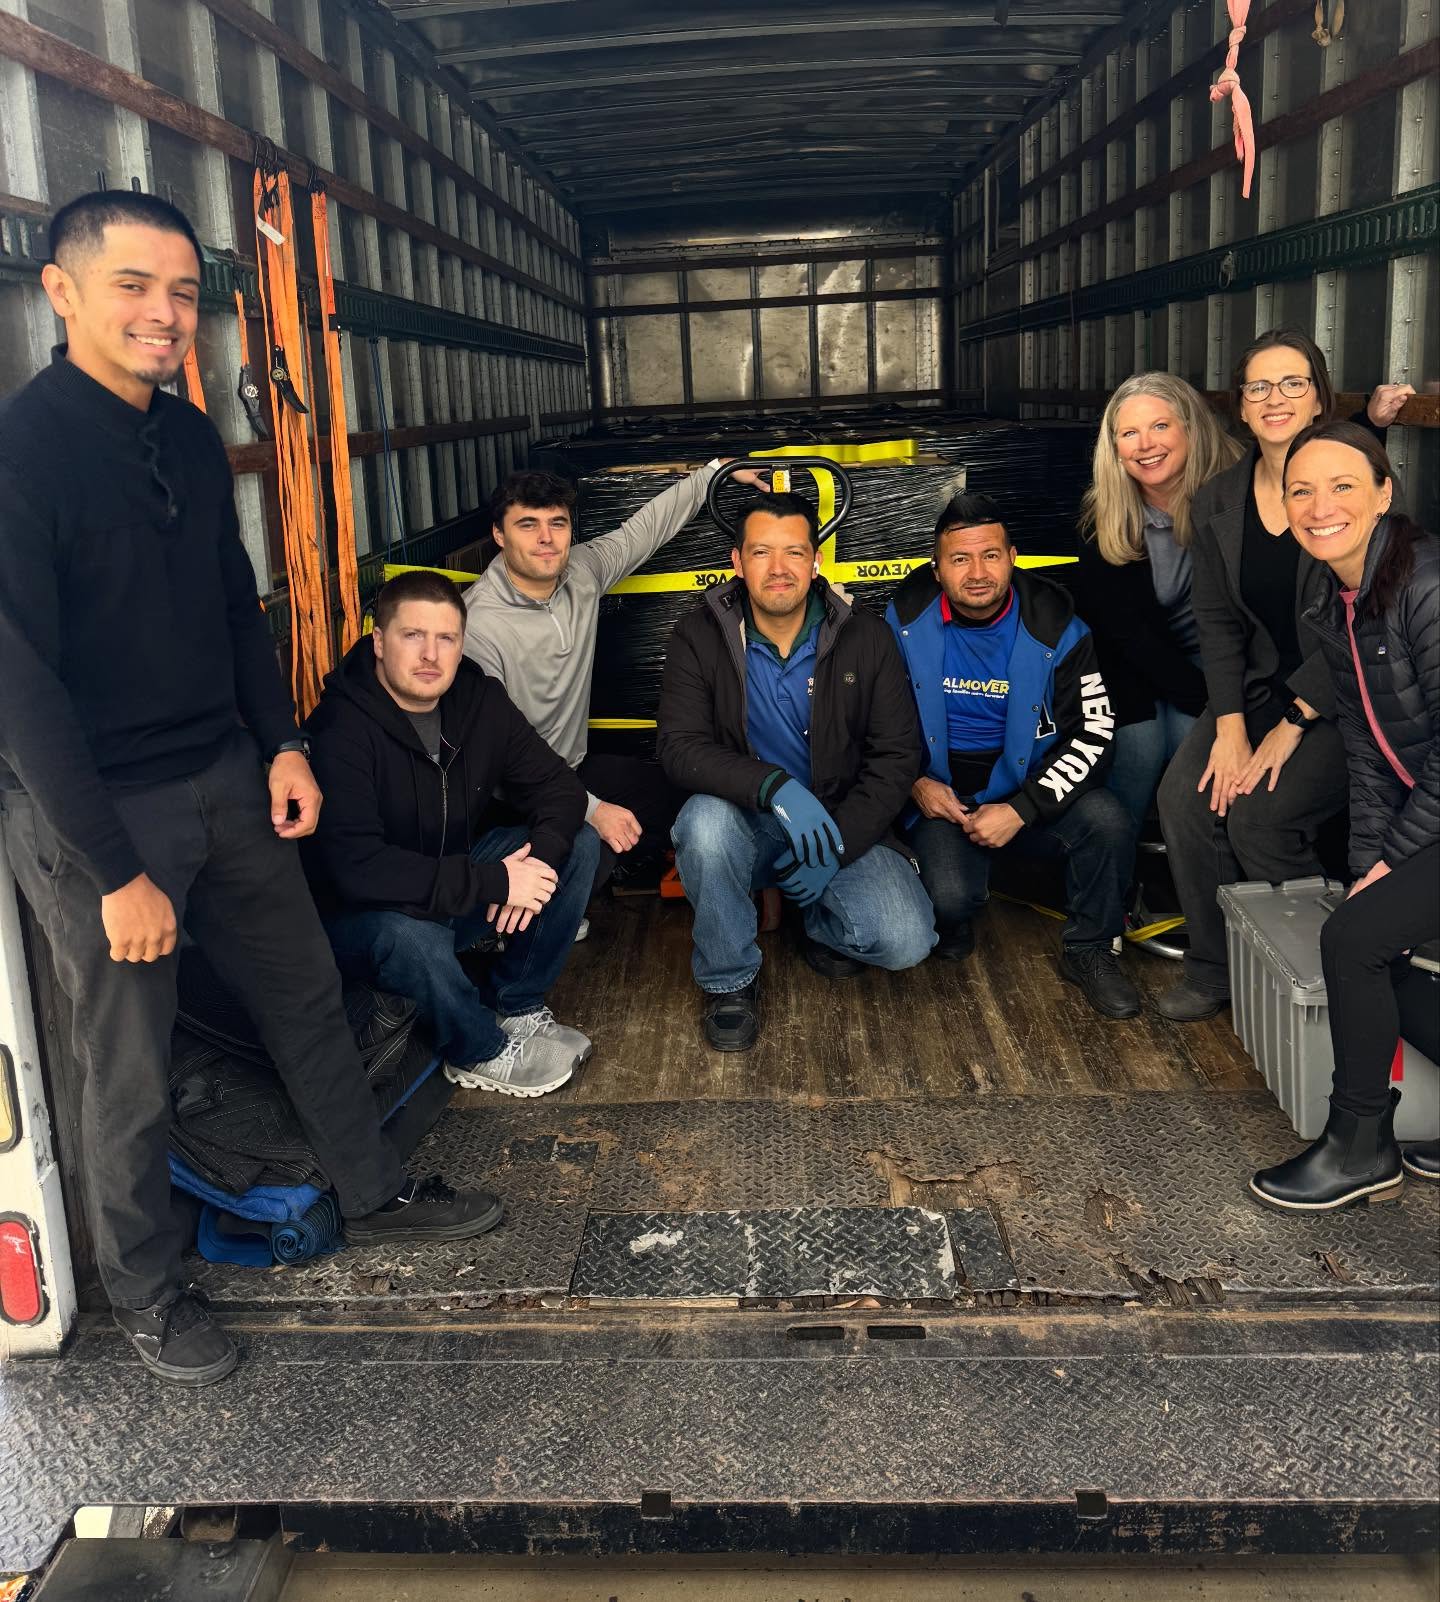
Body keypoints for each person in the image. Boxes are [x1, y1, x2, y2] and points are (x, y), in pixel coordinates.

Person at [0, 192, 500, 1388]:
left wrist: (279, 744)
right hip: (103, 814)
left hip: (225, 775)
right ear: (61, 292)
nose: (165, 314)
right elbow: (18, 688)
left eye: (183, 292)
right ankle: (151, 1295)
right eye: (133, 286)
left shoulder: (177, 432)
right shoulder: (23, 454)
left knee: (306, 994)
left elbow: (236, 604)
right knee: (125, 1067)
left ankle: (372, 1190)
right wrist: (114, 869)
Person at [1156, 328, 1415, 1022]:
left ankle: (1319, 977)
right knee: (1185, 798)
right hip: (1259, 689)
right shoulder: (1216, 500)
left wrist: (1294, 724)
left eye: (1293, 383)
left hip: (1345, 693)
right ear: (1239, 406)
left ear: (1321, 399)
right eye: (1259, 386)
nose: (1275, 398)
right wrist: (1232, 727)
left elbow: (1365, 618)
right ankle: (1217, 969)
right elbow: (1216, 622)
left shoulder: (1338, 490)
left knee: (1263, 818)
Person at [657, 491, 935, 1050]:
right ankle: (729, 978)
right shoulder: (699, 634)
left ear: (816, 562)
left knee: (906, 941)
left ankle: (818, 924)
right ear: (737, 562)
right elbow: (678, 747)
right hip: (749, 820)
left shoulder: (867, 637)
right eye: (761, 552)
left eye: (794, 552)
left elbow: (898, 755)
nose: (778, 569)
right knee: (703, 826)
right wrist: (773, 787)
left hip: (839, 821)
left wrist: (838, 843)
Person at [304, 570, 598, 1099]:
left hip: (447, 897)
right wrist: (492, 883)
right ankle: (478, 1050)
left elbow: (561, 789)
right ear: (378, 640)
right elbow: (356, 870)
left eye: (446, 639)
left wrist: (536, 865)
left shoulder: (477, 699)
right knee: (405, 935)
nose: (430, 655)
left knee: (577, 843)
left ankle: (516, 1002)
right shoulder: (340, 728)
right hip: (364, 925)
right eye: (412, 635)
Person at [1251, 423, 1438, 1209]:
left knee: (1353, 940)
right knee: (1369, 931)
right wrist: (1369, 862)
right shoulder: (1337, 598)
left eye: (1342, 486)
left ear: (1385, 494)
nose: (1319, 506)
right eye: (1302, 490)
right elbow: (1365, 746)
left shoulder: (1427, 584)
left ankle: (1361, 1145)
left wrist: (1396, 856)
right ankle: (1363, 1141)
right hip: (1425, 814)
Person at [887, 493, 1140, 1019]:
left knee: (1107, 820)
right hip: (942, 795)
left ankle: (1091, 951)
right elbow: (868, 719)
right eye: (960, 559)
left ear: (1013, 556)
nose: (977, 573)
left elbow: (1095, 733)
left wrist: (1024, 808)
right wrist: (914, 781)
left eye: (991, 555)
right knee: (948, 904)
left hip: (1029, 790)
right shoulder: (901, 621)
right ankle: (961, 899)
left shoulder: (1061, 627)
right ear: (937, 570)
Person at [463, 462, 767, 888]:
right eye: (527, 525)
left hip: (573, 769)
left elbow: (641, 532)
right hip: (511, 793)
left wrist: (714, 472)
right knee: (585, 838)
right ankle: (549, 904)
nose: (546, 539)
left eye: (557, 523)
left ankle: (606, 868)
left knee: (682, 796)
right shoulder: (478, 626)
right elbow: (502, 758)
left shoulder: (580, 574)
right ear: (499, 535)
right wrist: (590, 809)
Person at [1073, 374, 1244, 840]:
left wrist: (1368, 422)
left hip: (1222, 661)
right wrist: (1205, 697)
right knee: (1140, 747)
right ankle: (1117, 879)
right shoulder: (1104, 520)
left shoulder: (1240, 492)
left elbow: (1320, 473)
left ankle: (1205, 875)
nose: (1145, 445)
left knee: (1194, 743)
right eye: (1129, 433)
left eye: (1160, 426)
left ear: (1190, 427)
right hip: (1134, 664)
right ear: (1115, 448)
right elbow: (1127, 638)